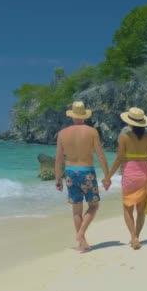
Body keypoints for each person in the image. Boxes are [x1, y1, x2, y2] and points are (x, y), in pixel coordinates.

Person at [55, 101, 109, 252]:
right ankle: (81, 235)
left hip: (70, 173)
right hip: (87, 172)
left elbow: (59, 159)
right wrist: (107, 176)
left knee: (76, 211)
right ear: (84, 115)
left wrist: (58, 179)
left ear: (72, 116)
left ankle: (82, 244)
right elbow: (101, 155)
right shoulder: (92, 132)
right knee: (93, 206)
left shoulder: (62, 133)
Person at [103, 107, 147, 250]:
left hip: (130, 174)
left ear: (130, 122)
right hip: (145, 174)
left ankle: (133, 237)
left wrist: (108, 176)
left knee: (128, 208)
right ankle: (137, 237)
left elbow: (119, 159)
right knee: (140, 210)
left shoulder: (124, 137)